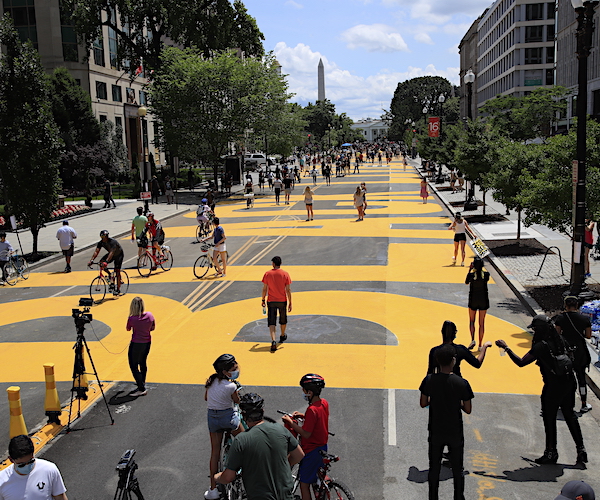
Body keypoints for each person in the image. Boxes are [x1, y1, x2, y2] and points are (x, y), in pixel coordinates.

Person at [496, 314, 587, 464]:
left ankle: (551, 452)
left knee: (549, 418)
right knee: (569, 415)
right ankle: (581, 449)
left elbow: (521, 362)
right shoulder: (560, 341)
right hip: (569, 382)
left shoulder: (541, 346)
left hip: (553, 386)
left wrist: (506, 348)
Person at [215, 393, 304, 500]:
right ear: (262, 411)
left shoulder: (241, 440)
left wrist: (217, 477)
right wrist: (281, 466)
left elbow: (228, 477)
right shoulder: (281, 430)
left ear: (243, 415)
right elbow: (299, 455)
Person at [420, 344, 473, 500]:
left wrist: (435, 399)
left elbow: (423, 403)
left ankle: (433, 497)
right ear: (453, 361)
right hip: (454, 429)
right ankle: (458, 496)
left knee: (434, 467)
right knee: (457, 469)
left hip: (436, 428)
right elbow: (468, 408)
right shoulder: (461, 383)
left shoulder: (429, 380)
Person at [281, 374, 329, 500]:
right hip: (323, 446)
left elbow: (306, 433)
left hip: (311, 450)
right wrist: (304, 416)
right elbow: (318, 420)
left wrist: (291, 422)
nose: (303, 393)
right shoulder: (324, 403)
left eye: (304, 390)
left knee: (304, 484)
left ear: (309, 392)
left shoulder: (312, 410)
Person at [204, 354, 244, 500]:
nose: (236, 370)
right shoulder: (231, 386)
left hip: (213, 420)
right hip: (228, 419)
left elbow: (206, 398)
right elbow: (237, 401)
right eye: (233, 369)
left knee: (215, 453)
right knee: (246, 441)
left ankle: (213, 489)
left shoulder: (212, 381)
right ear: (226, 372)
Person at [554, 296, 593, 413]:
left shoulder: (560, 318)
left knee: (565, 378)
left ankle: (564, 402)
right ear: (577, 306)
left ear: (565, 305)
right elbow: (588, 335)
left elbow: (557, 334)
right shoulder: (584, 319)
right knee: (581, 377)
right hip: (580, 351)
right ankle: (584, 404)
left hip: (566, 350)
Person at [0, 434, 68, 500]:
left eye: (30, 462)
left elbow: (60, 497)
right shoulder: (2, 480)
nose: (27, 466)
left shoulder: (49, 469)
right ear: (11, 460)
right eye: (21, 465)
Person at [427, 320, 491, 376]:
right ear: (455, 333)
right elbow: (477, 364)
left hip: (439, 383)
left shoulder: (434, 351)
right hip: (456, 382)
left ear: (442, 332)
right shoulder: (460, 349)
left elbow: (430, 372)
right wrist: (485, 346)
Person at [261, 256, 292, 353]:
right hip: (282, 300)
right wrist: (290, 302)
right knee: (283, 319)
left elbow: (264, 288)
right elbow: (288, 289)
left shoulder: (267, 274)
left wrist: (263, 299)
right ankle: (282, 335)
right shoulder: (285, 274)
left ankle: (273, 340)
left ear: (273, 264)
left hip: (271, 300)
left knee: (272, 321)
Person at [126, 297, 154, 397]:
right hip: (147, 342)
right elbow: (152, 328)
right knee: (143, 362)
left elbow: (128, 329)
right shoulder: (150, 315)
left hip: (136, 343)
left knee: (133, 365)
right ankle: (142, 381)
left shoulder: (132, 319)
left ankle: (141, 388)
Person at [465, 257, 490, 350]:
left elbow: (466, 282)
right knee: (481, 323)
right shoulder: (486, 275)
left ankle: (472, 340)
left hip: (473, 299)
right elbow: (485, 276)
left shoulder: (471, 275)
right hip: (483, 300)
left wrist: (470, 269)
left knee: (472, 321)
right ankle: (480, 344)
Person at [88, 230, 124, 295]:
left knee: (117, 271)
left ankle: (118, 289)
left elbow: (112, 252)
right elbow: (96, 251)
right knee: (101, 263)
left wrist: (106, 261)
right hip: (111, 254)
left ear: (107, 236)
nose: (102, 239)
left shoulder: (113, 242)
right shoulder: (100, 243)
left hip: (119, 255)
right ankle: (110, 275)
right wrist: (91, 260)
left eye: (103, 237)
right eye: (101, 237)